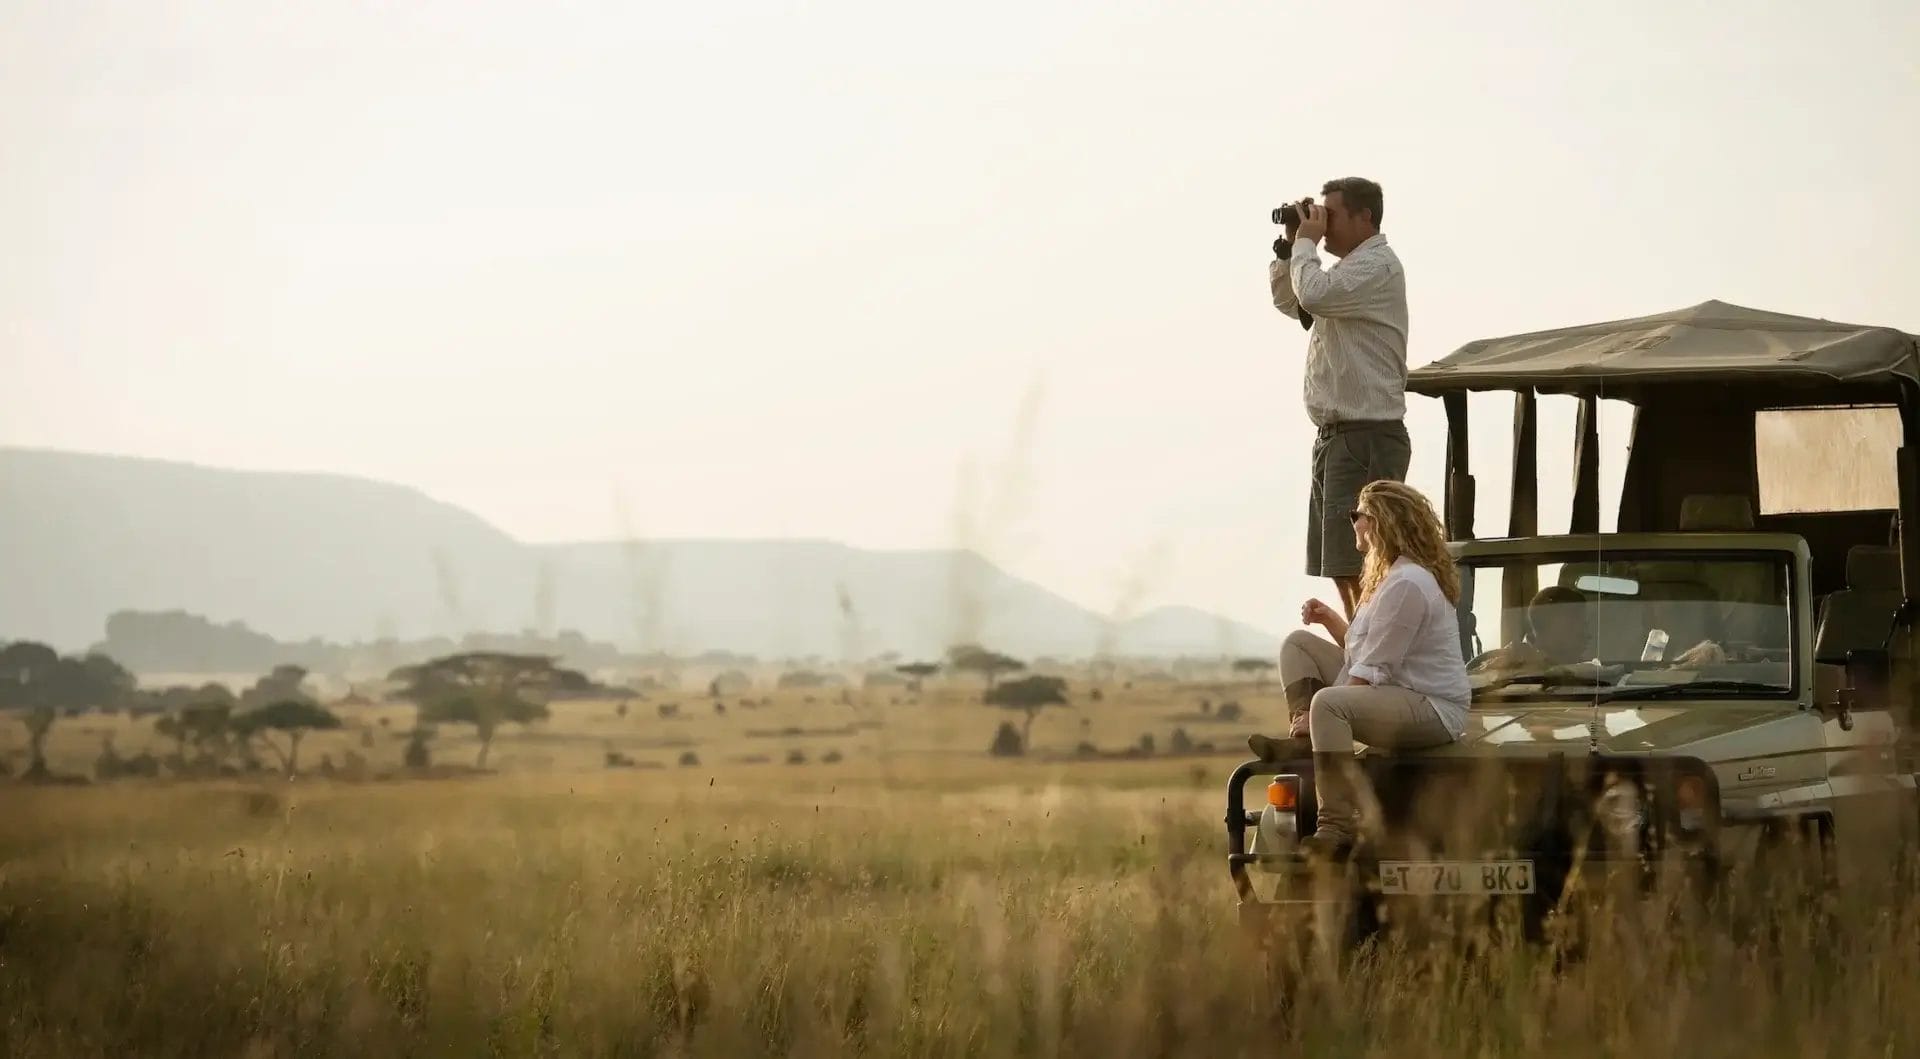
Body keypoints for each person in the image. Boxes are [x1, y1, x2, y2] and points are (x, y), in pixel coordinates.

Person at [1246, 480, 1469, 857]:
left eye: (1357, 515)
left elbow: (1372, 669)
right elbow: (1365, 650)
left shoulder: (1408, 584)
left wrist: (1328, 708)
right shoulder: (1391, 578)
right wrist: (1330, 619)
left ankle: (1336, 825)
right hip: (1397, 688)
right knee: (1298, 644)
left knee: (1330, 705)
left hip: (1430, 707)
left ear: (1379, 522)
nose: (1353, 523)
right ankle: (1303, 736)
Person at [1269, 177, 1410, 619]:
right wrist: (1290, 247)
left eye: (1331, 215)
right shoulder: (1344, 276)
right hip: (1338, 437)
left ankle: (1371, 655)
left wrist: (1307, 245)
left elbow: (1313, 294)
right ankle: (1362, 650)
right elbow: (1291, 303)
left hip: (1367, 434)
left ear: (1364, 216)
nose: (1323, 226)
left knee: (1367, 561)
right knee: (1341, 564)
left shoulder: (1377, 267)